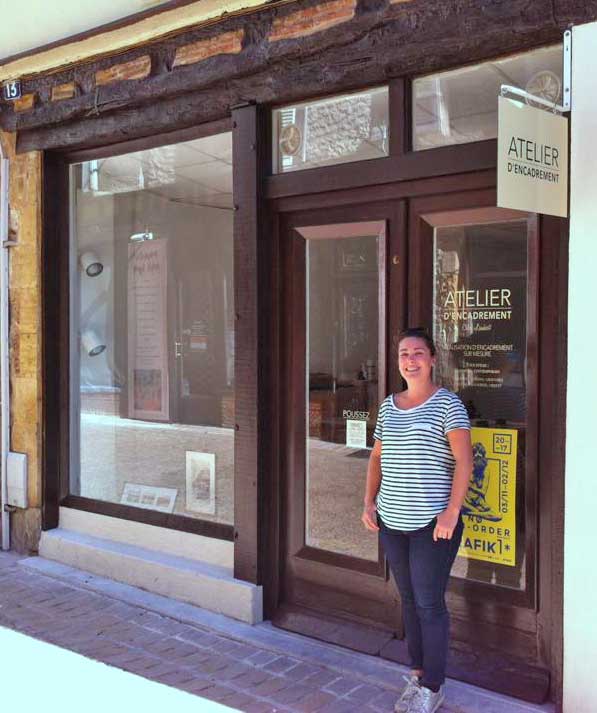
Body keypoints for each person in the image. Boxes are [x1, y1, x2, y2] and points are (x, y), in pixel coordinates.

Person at [361, 327, 472, 713]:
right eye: (404, 353)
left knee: (429, 603)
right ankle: (418, 671)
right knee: (408, 600)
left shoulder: (448, 405)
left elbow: (464, 461)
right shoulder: (390, 405)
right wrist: (369, 502)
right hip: (393, 521)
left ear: (433, 359)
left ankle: (434, 686)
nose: (411, 359)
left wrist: (452, 512)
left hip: (432, 524)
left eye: (418, 352)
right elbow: (377, 457)